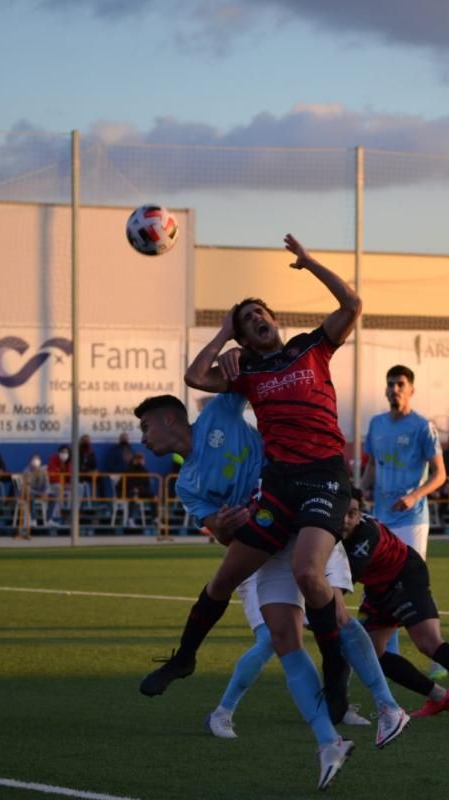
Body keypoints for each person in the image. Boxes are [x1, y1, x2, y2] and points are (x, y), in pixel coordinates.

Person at [149, 235, 409, 766]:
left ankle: (357, 692)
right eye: (247, 321)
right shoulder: (248, 376)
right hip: (280, 489)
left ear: (275, 319)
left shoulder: (313, 347)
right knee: (226, 578)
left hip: (323, 479)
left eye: (260, 313)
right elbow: (195, 376)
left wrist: (311, 262)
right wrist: (223, 329)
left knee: (312, 578)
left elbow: (353, 305)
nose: (256, 320)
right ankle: (186, 660)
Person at [134, 393, 368, 788]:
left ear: (170, 419)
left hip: (307, 516)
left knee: (339, 618)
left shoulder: (218, 413)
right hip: (262, 541)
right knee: (280, 637)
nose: (142, 438)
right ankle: (329, 739)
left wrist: (227, 331)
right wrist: (225, 524)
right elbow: (223, 537)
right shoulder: (186, 485)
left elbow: (240, 375)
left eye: (145, 426)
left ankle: (379, 705)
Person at [339, 489, 449, 731]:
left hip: (405, 575)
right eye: (342, 513)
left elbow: (341, 585)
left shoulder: (366, 533)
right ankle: (440, 697)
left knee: (429, 642)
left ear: (360, 514)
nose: (346, 519)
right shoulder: (329, 530)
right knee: (371, 652)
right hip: (378, 586)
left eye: (352, 514)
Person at [361, 365, 446, 671]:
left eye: (400, 384)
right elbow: (372, 465)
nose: (394, 389)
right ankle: (391, 655)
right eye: (390, 384)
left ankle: (437, 651)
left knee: (412, 584)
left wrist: (414, 496)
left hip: (412, 519)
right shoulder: (376, 424)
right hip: (381, 517)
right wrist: (360, 491)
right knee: (384, 585)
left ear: (411, 389)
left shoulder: (423, 426)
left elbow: (440, 475)